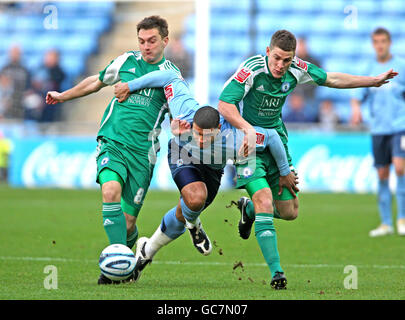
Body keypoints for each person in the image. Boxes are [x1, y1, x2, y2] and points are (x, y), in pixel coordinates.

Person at [218, 29, 397, 289]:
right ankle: (277, 273)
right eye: (277, 58)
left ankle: (249, 210)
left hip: (276, 140)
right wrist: (246, 129)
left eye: (287, 60)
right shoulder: (251, 69)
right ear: (268, 52)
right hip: (248, 144)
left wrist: (372, 81)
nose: (281, 65)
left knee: (290, 212)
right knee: (265, 199)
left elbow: (332, 78)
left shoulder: (297, 69)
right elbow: (225, 104)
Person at [113, 69, 298, 282]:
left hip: (213, 169)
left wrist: (285, 172)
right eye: (197, 133)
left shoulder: (237, 137)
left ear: (218, 128)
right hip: (183, 154)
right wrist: (130, 86)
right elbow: (168, 77)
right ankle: (194, 225)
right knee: (195, 198)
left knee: (185, 211)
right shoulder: (184, 109)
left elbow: (272, 137)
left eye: (206, 135)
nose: (200, 139)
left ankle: (147, 250)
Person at [45, 15, 182, 285]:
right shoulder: (125, 62)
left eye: (152, 41)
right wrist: (64, 95)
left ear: (165, 41)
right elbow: (95, 82)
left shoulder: (171, 77)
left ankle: (128, 254)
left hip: (143, 155)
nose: (146, 46)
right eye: (141, 41)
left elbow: (178, 114)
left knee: (129, 223)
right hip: (114, 141)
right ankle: (114, 270)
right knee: (110, 191)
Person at [351, 27, 405, 237]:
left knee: (400, 169)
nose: (380, 45)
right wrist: (356, 110)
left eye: (383, 41)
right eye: (376, 41)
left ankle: (402, 218)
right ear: (373, 44)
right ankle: (385, 223)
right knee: (382, 174)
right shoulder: (369, 68)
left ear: (389, 42)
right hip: (378, 129)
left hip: (400, 127)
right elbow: (357, 94)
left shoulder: (400, 66)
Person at [0, 45, 31, 119]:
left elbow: (28, 86)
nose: (14, 55)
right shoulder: (5, 69)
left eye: (17, 53)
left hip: (21, 98)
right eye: (13, 52)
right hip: (7, 98)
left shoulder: (24, 69)